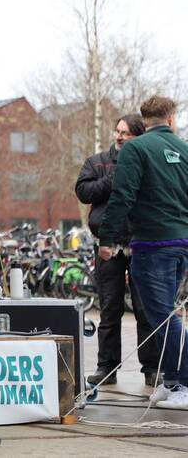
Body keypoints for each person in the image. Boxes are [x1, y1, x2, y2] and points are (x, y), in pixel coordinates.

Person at [99, 96, 188, 410]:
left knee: (162, 316)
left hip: (152, 244)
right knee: (160, 313)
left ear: (143, 119)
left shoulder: (135, 150)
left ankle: (184, 383)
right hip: (180, 243)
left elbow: (122, 196)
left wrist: (106, 239)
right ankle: (173, 379)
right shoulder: (184, 149)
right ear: (171, 118)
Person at [75, 114, 160, 386]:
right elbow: (83, 192)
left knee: (145, 310)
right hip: (108, 246)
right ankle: (107, 368)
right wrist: (113, 178)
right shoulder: (97, 161)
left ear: (139, 136)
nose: (119, 136)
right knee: (109, 310)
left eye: (126, 133)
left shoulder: (147, 161)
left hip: (141, 244)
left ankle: (152, 368)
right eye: (117, 131)